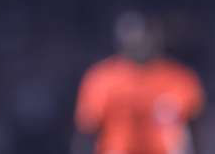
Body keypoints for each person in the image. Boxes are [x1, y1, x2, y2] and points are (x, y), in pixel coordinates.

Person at [73, 11, 205, 154]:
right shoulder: (102, 78)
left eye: (145, 33)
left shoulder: (179, 79)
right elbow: (86, 131)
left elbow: (196, 127)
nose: (139, 40)